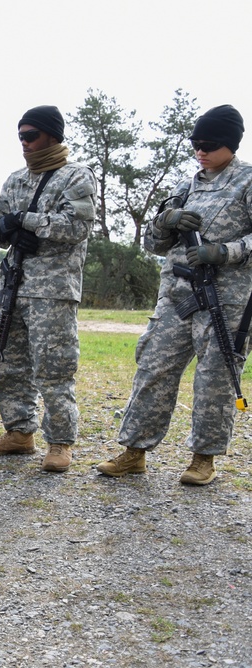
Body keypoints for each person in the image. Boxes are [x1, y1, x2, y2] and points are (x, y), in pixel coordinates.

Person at [100, 105, 252, 485]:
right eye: (196, 144)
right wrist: (165, 222)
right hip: (177, 296)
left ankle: (204, 459)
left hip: (225, 300)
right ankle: (134, 452)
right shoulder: (185, 186)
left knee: (215, 379)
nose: (201, 151)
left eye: (209, 145)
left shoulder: (247, 181)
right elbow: (153, 244)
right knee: (153, 368)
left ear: (231, 144)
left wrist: (225, 252)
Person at [0, 105, 97, 473]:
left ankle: (60, 443)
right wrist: (12, 229)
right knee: (9, 363)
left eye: (31, 136)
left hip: (53, 291)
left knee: (54, 368)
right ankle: (19, 432)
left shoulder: (77, 177)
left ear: (52, 136)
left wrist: (25, 221)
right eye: (21, 137)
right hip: (14, 284)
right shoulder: (15, 179)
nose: (24, 143)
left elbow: (76, 227)